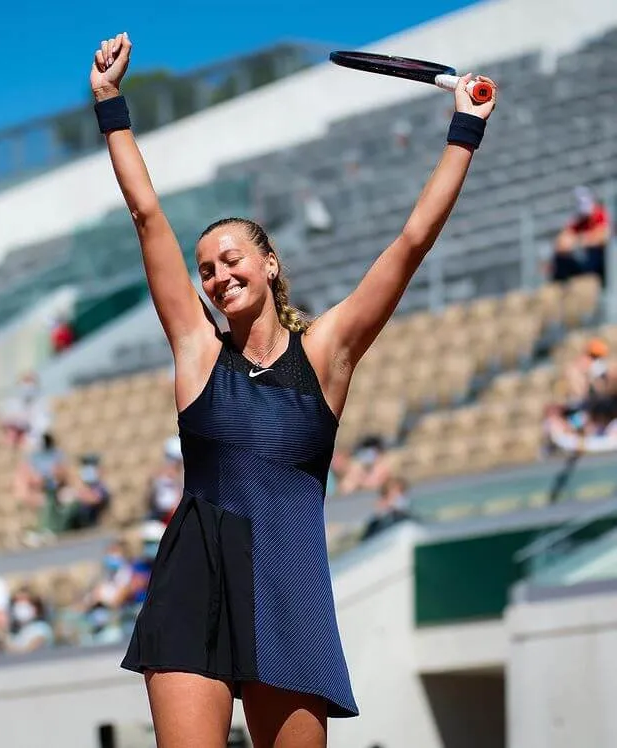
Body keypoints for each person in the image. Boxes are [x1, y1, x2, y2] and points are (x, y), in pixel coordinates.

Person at [90, 32, 496, 747]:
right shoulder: (195, 350)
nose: (216, 277)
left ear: (270, 263)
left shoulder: (329, 354)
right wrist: (111, 104)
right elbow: (147, 216)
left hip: (288, 580)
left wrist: (464, 131)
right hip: (196, 576)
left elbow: (409, 244)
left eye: (231, 259)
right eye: (206, 269)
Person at [550, 186, 611, 285]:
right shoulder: (578, 220)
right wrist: (580, 241)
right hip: (585, 260)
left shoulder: (600, 214)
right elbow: (562, 242)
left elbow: (604, 236)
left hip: (601, 260)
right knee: (561, 259)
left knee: (594, 252)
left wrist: (582, 240)